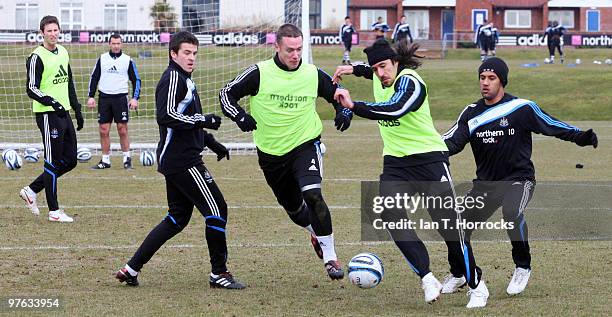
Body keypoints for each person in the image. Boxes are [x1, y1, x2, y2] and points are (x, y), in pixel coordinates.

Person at [332, 39, 488, 308]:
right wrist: (353, 69)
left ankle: (476, 284)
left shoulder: (410, 81)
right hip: (396, 163)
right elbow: (371, 70)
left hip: (429, 161)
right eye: (376, 68)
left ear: (396, 62)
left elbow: (396, 108)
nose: (381, 73)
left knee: (448, 226)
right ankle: (427, 277)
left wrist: (353, 106)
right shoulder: (379, 74)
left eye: (384, 66)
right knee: (389, 213)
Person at [441, 57, 598, 296]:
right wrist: (424, 152)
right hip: (486, 185)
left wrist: (580, 136)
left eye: (491, 78)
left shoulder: (521, 108)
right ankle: (460, 272)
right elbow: (452, 141)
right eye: (482, 78)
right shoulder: (471, 113)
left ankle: (523, 266)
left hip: (519, 179)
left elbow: (551, 124)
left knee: (512, 211)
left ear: (502, 81)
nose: (485, 83)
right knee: (457, 227)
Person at [219, 23, 353, 281]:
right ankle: (315, 232)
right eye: (290, 50)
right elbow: (227, 93)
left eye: (299, 49)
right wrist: (240, 116)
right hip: (271, 154)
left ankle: (330, 256)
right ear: (277, 47)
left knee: (313, 194)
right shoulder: (260, 73)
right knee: (294, 210)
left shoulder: (312, 73)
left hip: (306, 144)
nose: (295, 55)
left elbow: (338, 95)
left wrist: (344, 113)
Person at [115, 31, 245, 290]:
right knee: (217, 209)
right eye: (186, 53)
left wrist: (211, 142)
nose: (191, 58)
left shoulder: (185, 79)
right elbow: (167, 116)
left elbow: (186, 120)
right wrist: (204, 119)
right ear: (173, 54)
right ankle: (219, 272)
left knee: (177, 218)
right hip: (183, 161)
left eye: (194, 53)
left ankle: (131, 268)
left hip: (178, 158)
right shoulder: (173, 78)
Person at [19, 15, 84, 223]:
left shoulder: (63, 51)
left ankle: (31, 190)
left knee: (71, 160)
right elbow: (31, 88)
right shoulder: (36, 56)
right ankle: (54, 211)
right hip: (47, 114)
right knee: (52, 161)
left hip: (64, 113)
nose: (53, 34)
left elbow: (69, 82)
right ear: (42, 33)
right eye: (49, 31)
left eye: (56, 30)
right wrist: (51, 102)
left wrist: (77, 108)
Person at [87, 33, 141, 169]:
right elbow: (94, 77)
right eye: (113, 43)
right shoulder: (102, 59)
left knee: (122, 129)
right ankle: (105, 161)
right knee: (103, 130)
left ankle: (127, 159)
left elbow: (136, 80)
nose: (116, 46)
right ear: (109, 44)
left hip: (121, 98)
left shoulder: (128, 60)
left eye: (118, 43)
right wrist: (91, 96)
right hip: (104, 98)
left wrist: (135, 98)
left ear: (121, 44)